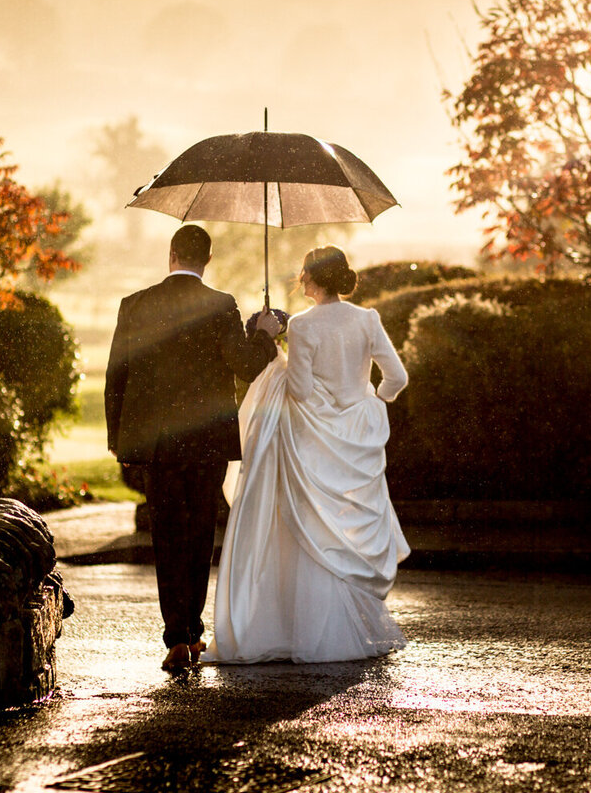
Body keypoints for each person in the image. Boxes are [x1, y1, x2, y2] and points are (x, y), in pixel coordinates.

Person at [205, 245, 410, 664]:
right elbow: (397, 377)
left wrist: (276, 350)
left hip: (312, 438)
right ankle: (347, 625)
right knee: (342, 528)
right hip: (355, 437)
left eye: (303, 273)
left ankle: (298, 625)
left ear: (312, 279)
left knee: (309, 528)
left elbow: (298, 390)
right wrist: (371, 403)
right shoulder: (367, 319)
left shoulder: (302, 325)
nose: (300, 279)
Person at [105, 224, 281, 672]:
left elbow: (116, 377)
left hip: (159, 443)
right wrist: (263, 333)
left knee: (167, 536)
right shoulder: (221, 306)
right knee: (200, 533)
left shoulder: (135, 304)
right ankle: (192, 631)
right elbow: (244, 367)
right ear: (207, 261)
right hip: (206, 442)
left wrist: (119, 441)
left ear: (171, 255)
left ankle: (176, 638)